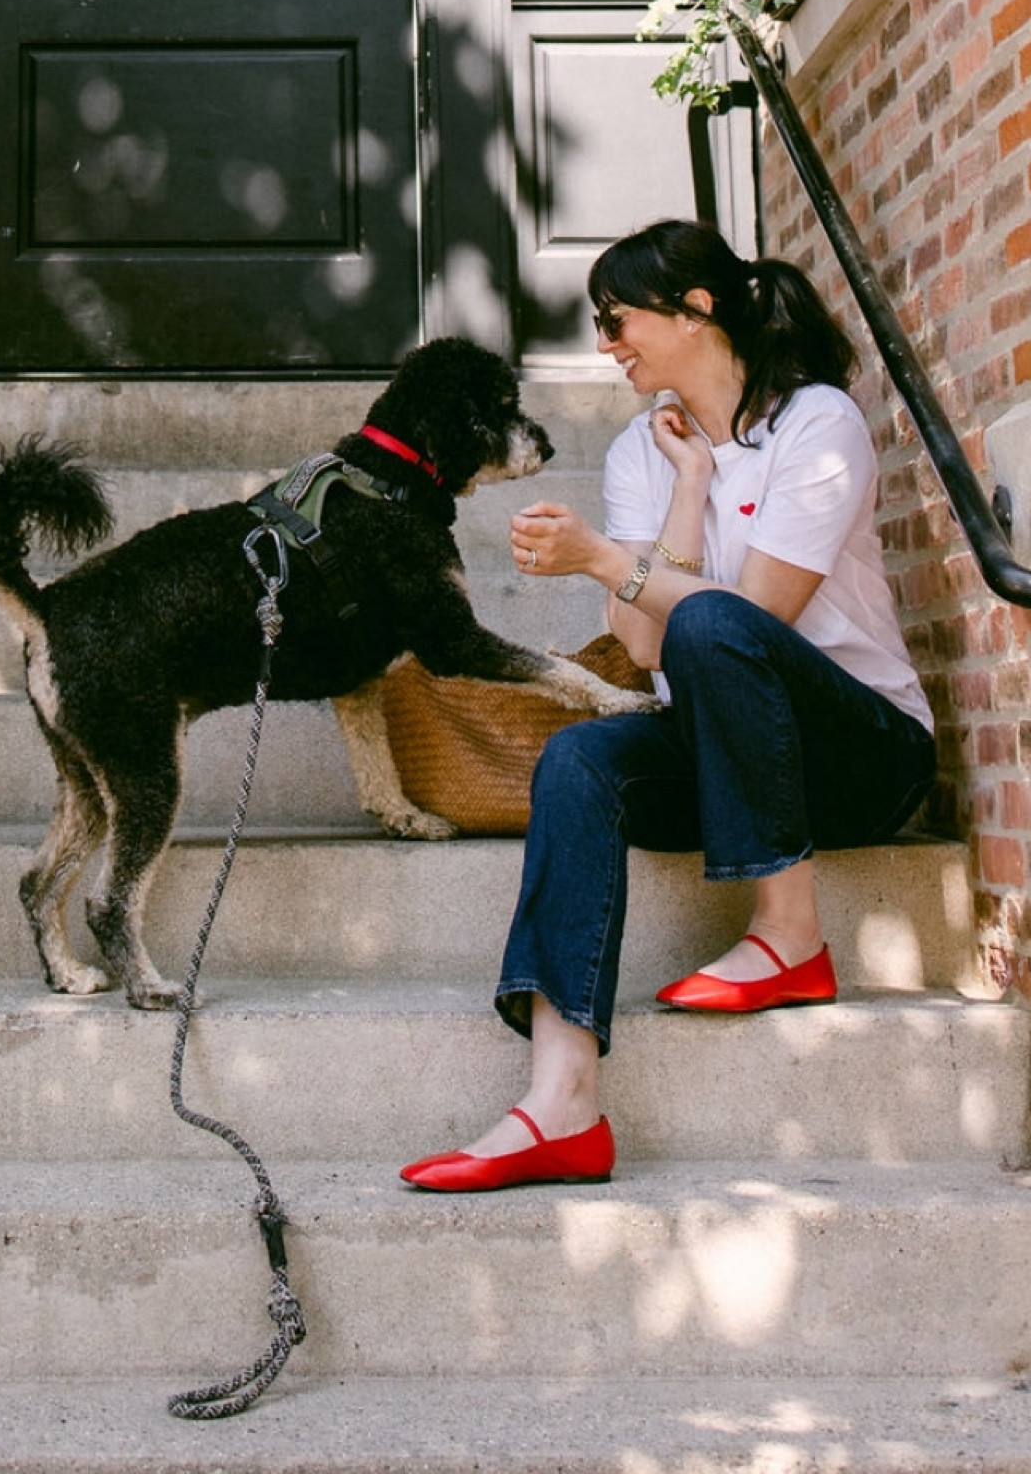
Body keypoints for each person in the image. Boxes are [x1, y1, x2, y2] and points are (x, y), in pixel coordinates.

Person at [401, 219, 937, 1193]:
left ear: (696, 309)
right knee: (579, 759)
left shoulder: (814, 424)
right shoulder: (643, 453)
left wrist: (605, 559)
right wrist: (690, 484)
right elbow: (647, 649)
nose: (604, 343)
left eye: (616, 319)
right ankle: (561, 1102)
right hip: (724, 749)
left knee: (716, 621)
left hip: (860, 755)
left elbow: (754, 616)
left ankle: (789, 931)